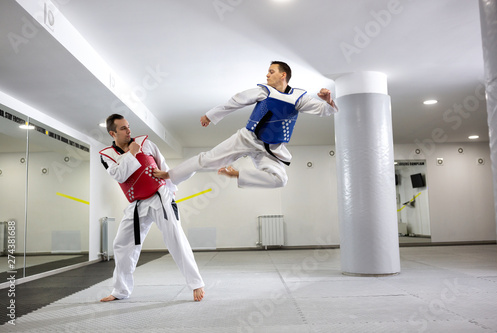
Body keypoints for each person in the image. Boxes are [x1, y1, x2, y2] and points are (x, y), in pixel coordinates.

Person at [156, 61, 338, 188]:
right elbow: (236, 101)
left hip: (271, 148)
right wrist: (211, 115)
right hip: (247, 138)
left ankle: (238, 175)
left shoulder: (299, 98)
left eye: (271, 71)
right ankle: (170, 175)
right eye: (267, 71)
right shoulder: (263, 91)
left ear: (283, 75)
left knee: (280, 179)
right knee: (206, 160)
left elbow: (325, 111)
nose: (267, 74)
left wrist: (328, 100)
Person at [99, 114, 205, 302]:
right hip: (137, 204)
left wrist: (170, 194)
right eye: (123, 128)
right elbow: (120, 175)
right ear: (112, 133)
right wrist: (132, 153)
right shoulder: (107, 155)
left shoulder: (146, 143)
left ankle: (196, 283)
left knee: (175, 237)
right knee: (121, 244)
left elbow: (163, 167)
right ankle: (120, 291)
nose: (129, 130)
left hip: (159, 196)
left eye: (128, 126)